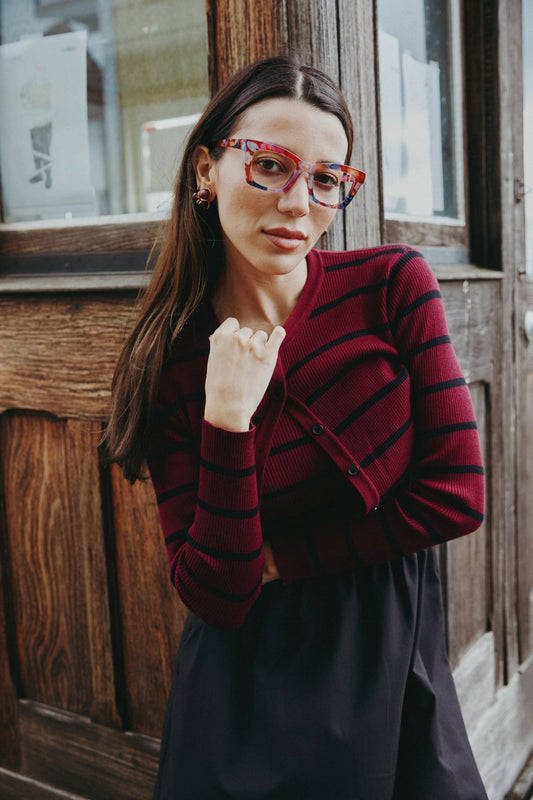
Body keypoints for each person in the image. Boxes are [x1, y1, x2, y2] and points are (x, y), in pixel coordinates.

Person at [104, 55, 488, 800]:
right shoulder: (169, 362)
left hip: (387, 638)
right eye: (270, 166)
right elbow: (217, 594)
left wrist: (284, 561)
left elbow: (456, 496)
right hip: (250, 675)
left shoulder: (390, 284)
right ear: (206, 170)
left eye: (323, 179)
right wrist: (226, 419)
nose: (296, 203)